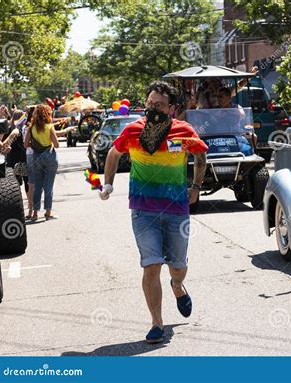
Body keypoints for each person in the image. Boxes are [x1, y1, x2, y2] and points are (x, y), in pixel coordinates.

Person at [100, 80, 208, 344]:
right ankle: (156, 323)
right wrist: (108, 183)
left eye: (159, 105)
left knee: (178, 267)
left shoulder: (183, 131)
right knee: (151, 265)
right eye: (149, 104)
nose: (152, 108)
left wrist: (195, 187)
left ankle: (178, 286)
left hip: (176, 210)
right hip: (143, 211)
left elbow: (201, 156)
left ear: (171, 108)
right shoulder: (134, 130)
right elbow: (113, 154)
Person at [24, 104, 60, 221]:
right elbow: (57, 145)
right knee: (48, 186)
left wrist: (35, 146)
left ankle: (35, 213)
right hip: (49, 157)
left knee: (37, 187)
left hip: (36, 158)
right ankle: (48, 213)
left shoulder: (31, 128)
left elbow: (26, 145)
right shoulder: (49, 126)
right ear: (47, 114)